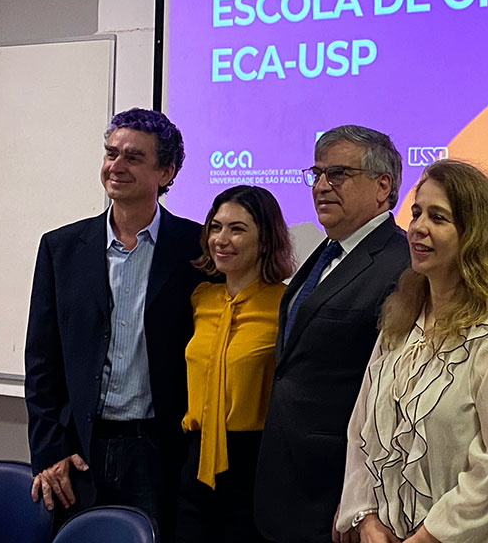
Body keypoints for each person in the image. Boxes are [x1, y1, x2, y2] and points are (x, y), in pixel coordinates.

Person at [336, 159, 488, 543]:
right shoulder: (402, 316)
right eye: (416, 213)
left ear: (474, 234)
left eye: (438, 217)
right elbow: (361, 427)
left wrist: (426, 538)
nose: (417, 228)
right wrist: (367, 519)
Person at [24, 108, 203, 538]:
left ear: (166, 171)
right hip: (80, 453)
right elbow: (42, 362)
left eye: (133, 157)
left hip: (158, 452)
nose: (116, 166)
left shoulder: (195, 249)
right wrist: (50, 452)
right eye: (110, 153)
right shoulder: (62, 248)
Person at [254, 125, 411, 543]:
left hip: (338, 494)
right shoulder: (326, 254)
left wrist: (363, 497)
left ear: (383, 186)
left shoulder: (402, 265)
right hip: (284, 483)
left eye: (338, 174)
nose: (322, 185)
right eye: (318, 173)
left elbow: (392, 396)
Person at [175, 185, 294, 542]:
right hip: (194, 462)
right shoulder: (200, 299)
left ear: (265, 240)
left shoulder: (286, 305)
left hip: (253, 466)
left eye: (237, 229)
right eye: (216, 227)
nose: (221, 239)